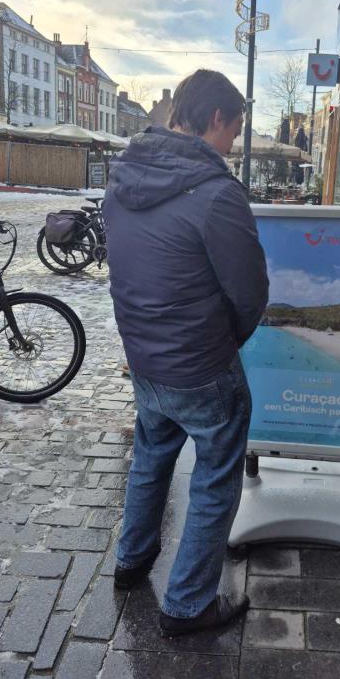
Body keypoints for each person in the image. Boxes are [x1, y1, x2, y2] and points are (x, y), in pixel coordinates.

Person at [103, 69, 269, 638]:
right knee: (216, 477)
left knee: (151, 456)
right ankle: (187, 605)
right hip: (200, 366)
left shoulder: (122, 180)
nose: (234, 144)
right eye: (236, 130)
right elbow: (250, 294)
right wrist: (224, 342)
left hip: (145, 358)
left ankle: (131, 561)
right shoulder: (218, 194)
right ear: (217, 118)